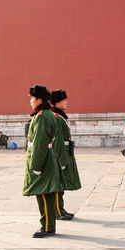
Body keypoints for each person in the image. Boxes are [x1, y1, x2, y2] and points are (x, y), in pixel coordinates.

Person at [23, 85, 65, 238]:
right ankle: (49, 225)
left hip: (43, 159)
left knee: (43, 194)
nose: (31, 102)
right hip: (49, 156)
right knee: (47, 193)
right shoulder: (49, 115)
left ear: (39, 100)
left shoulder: (41, 117)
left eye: (32, 99)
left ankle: (46, 226)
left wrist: (35, 166)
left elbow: (40, 143)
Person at [51, 90, 81, 220]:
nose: (66, 102)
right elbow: (58, 141)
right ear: (57, 103)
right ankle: (58, 211)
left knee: (61, 185)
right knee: (58, 184)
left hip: (65, 153)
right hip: (60, 155)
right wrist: (62, 162)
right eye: (64, 101)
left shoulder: (60, 116)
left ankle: (60, 209)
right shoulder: (56, 117)